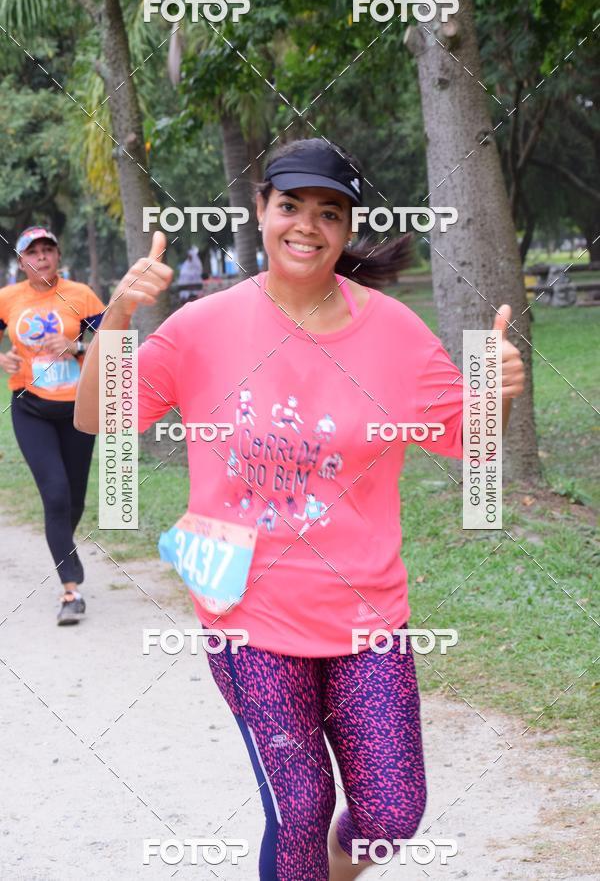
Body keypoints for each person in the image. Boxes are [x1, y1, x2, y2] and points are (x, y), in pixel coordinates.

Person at [74, 138, 525, 880]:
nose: (306, 225)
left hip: (364, 612)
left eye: (329, 212)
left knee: (391, 812)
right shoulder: (203, 326)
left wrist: (498, 394)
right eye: (290, 206)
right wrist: (119, 312)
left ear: (346, 229)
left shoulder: (394, 333)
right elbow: (97, 416)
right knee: (301, 805)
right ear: (262, 210)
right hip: (246, 612)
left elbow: (473, 443)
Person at [0, 227, 105, 625]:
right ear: (21, 261)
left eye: (48, 250)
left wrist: (77, 346)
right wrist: (3, 359)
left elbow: (113, 342)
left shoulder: (81, 295)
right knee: (56, 494)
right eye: (33, 252)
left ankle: (61, 541)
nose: (41, 258)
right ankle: (71, 589)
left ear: (58, 256)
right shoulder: (8, 298)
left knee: (73, 501)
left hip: (78, 411)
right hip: (32, 410)